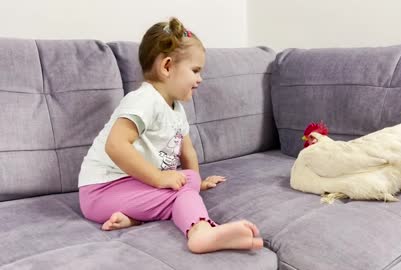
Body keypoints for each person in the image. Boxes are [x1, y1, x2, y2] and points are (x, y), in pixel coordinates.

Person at [77, 17, 263, 254]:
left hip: (128, 188)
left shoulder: (176, 109)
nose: (200, 79)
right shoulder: (144, 100)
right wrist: (158, 178)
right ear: (166, 67)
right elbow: (115, 145)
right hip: (101, 191)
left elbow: (187, 151)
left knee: (189, 180)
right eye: (195, 70)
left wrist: (197, 181)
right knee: (181, 189)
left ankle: (134, 219)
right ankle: (200, 232)